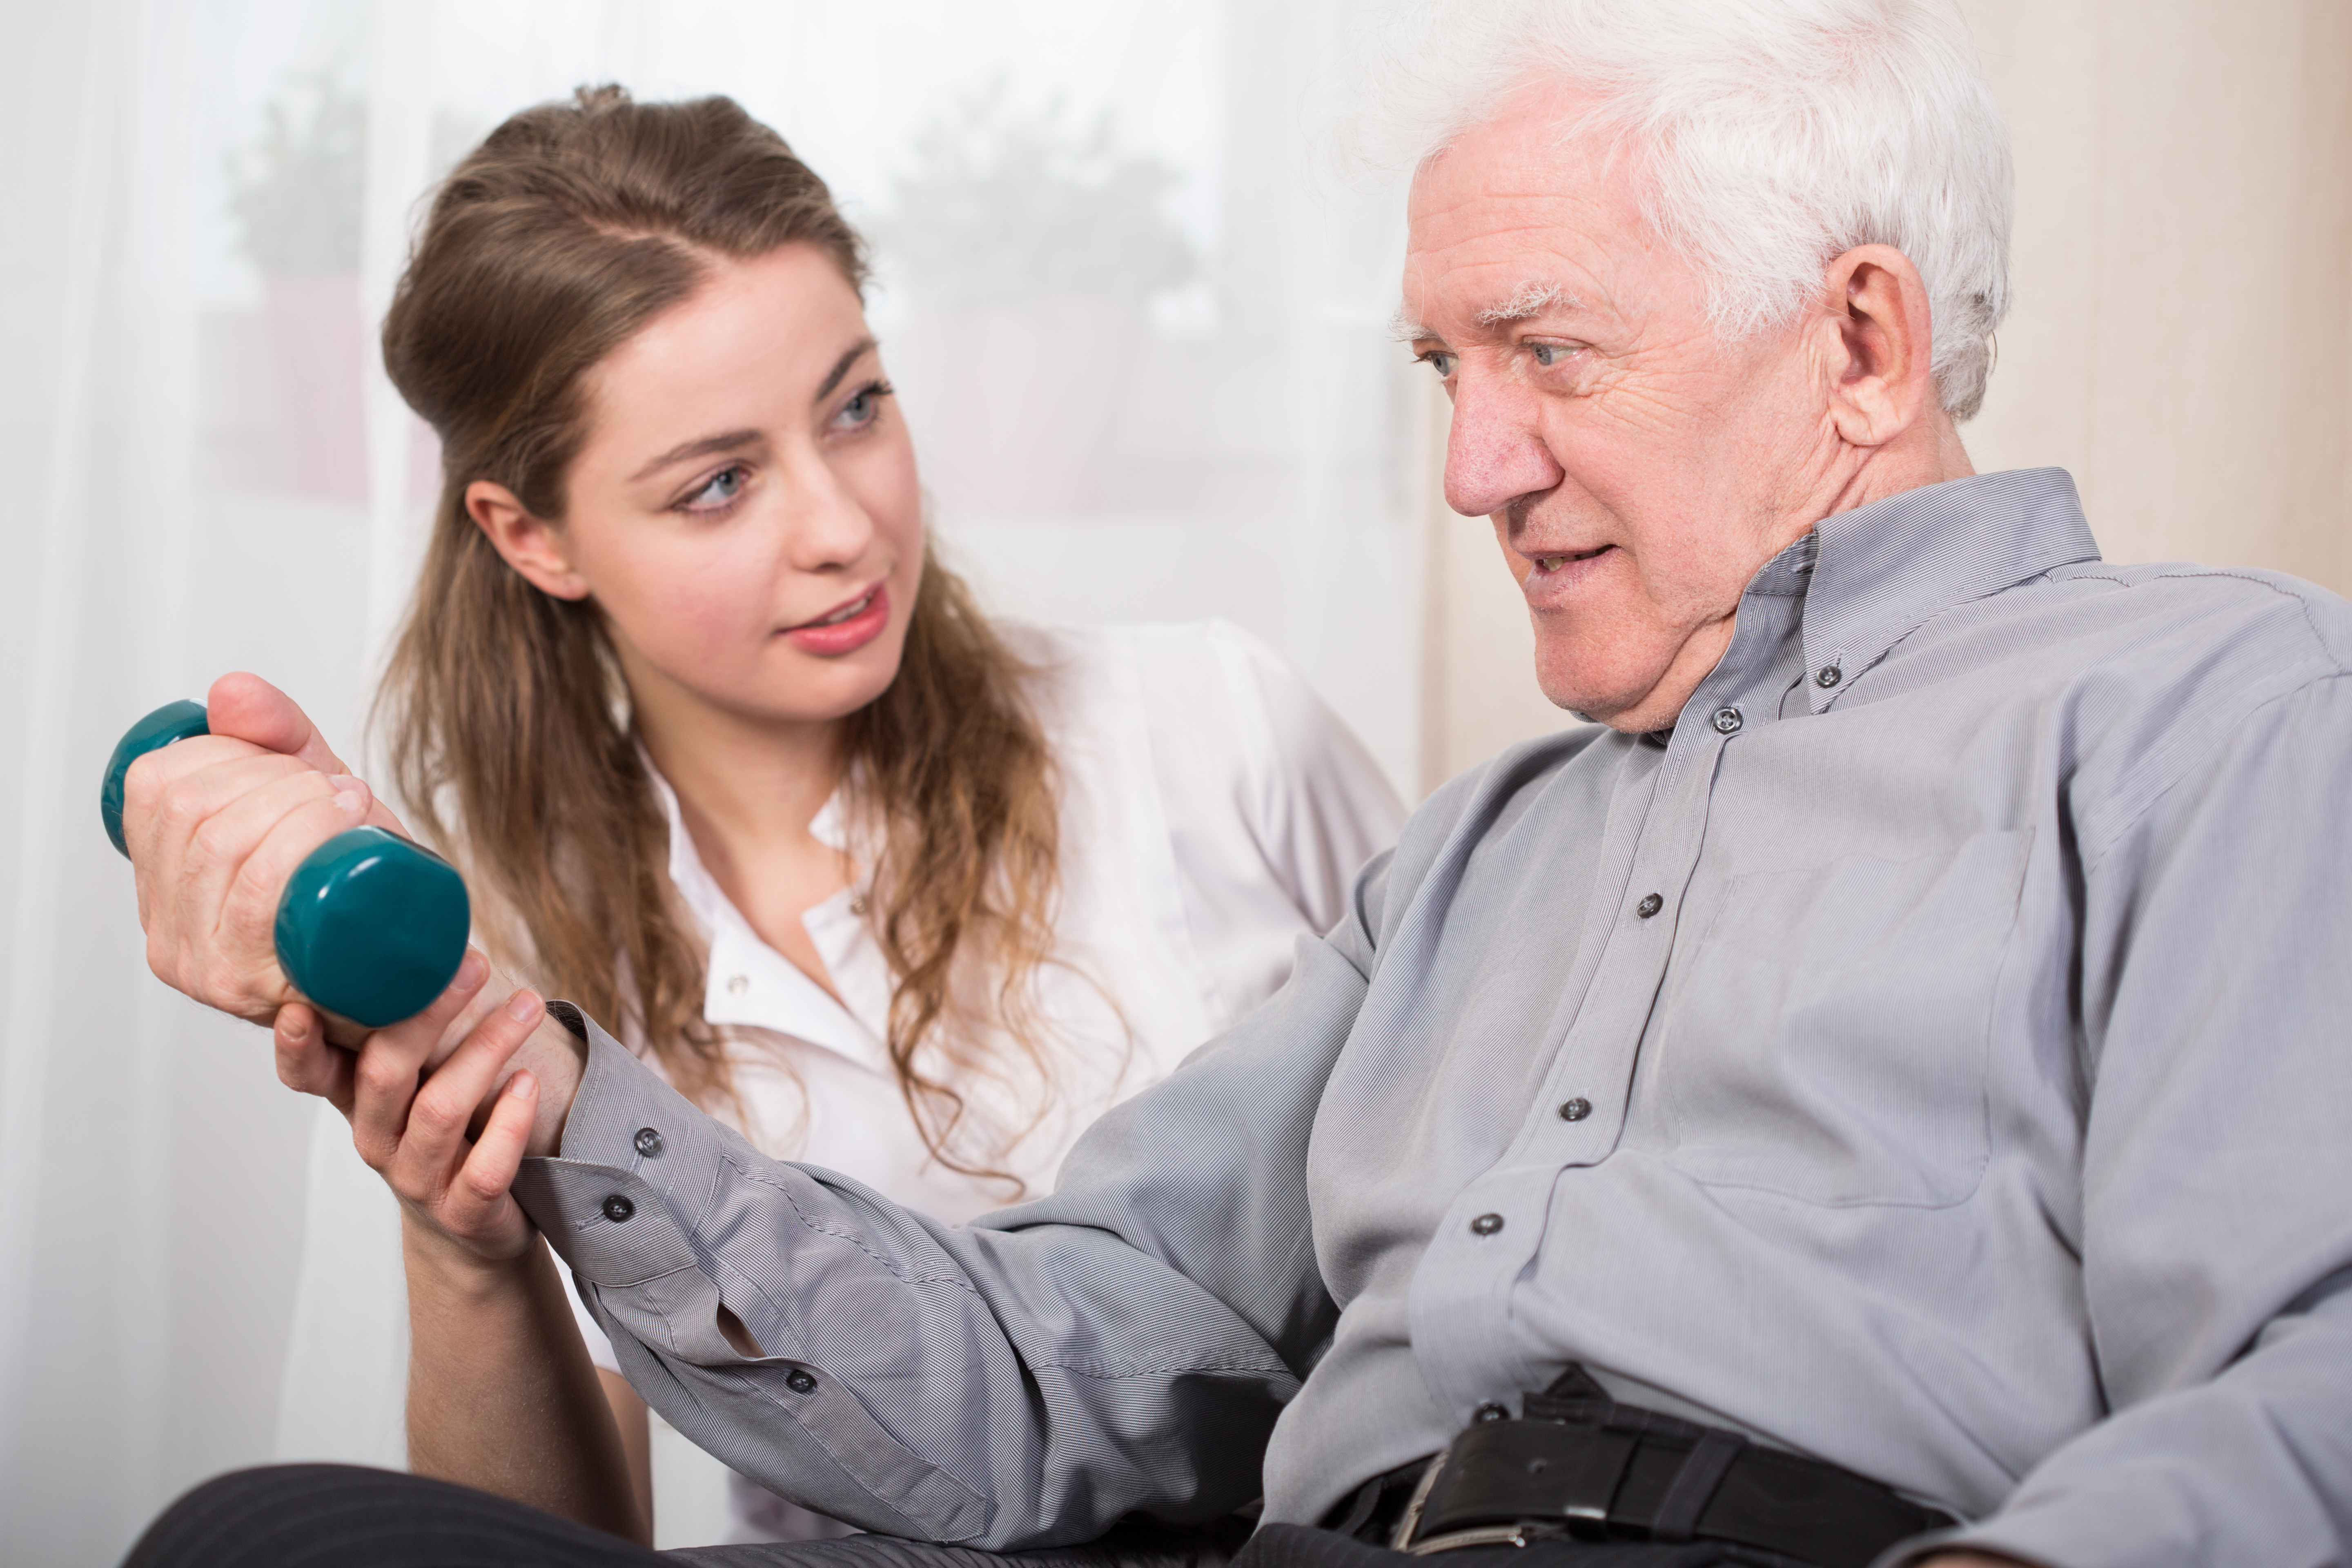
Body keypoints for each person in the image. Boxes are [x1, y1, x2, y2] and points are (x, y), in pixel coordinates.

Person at [116, 2, 2352, 1567]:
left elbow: (2317, 1360)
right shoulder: (1481, 856)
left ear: (1860, 342)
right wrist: (515, 1062)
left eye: (1548, 352)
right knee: (261, 1536)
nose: (1473, 469)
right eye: (1440, 373)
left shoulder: (2208, 713)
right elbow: (1052, 1375)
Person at [174, 87, 1405, 1550]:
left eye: (857, 406)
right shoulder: (520, 957)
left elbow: (1484, 1166)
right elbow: (562, 1541)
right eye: (718, 484)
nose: (842, 525)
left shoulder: (1213, 728)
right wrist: (468, 1247)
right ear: (531, 534)